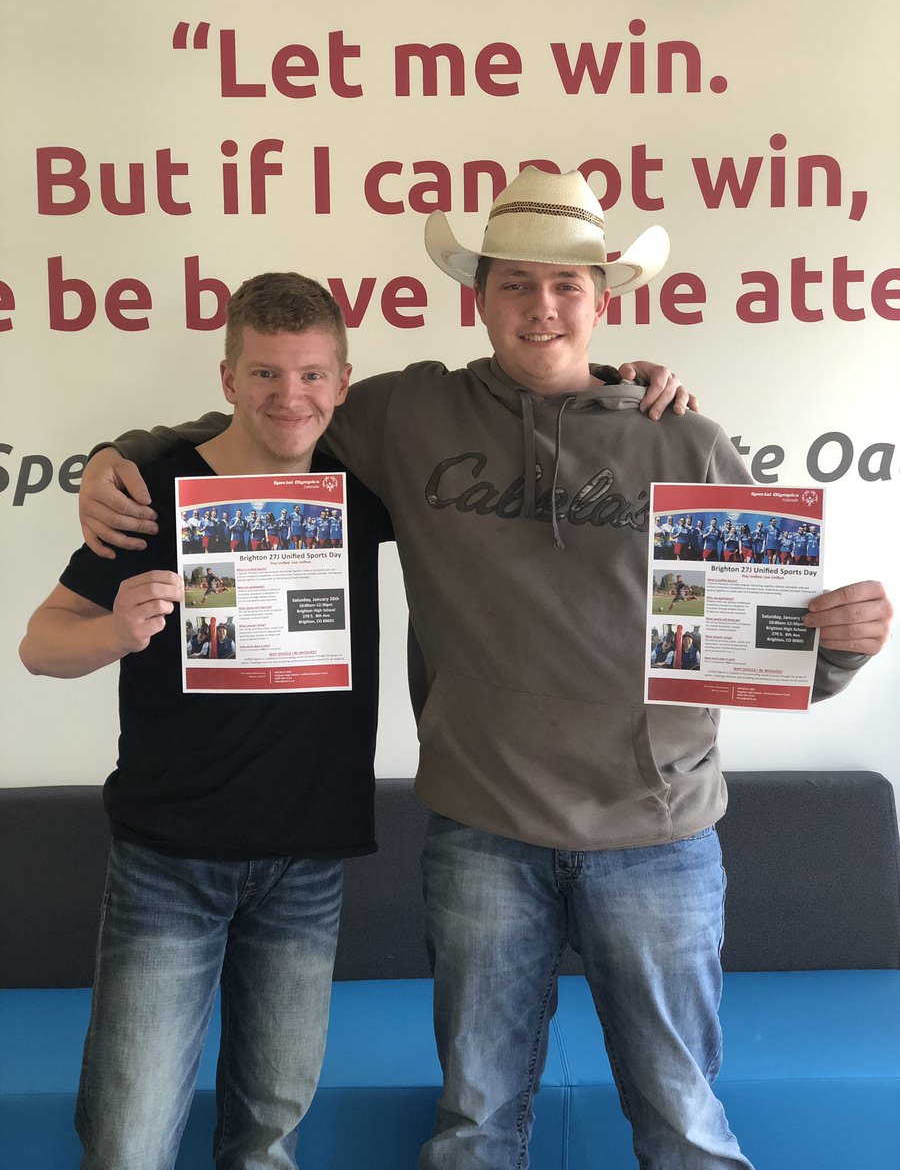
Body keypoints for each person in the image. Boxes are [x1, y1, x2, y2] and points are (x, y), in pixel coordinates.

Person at [75, 169, 892, 1170]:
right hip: (481, 838)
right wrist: (123, 452)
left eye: (566, 285)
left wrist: (840, 649)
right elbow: (273, 421)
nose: (541, 309)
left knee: (682, 1121)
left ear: (604, 297)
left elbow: (763, 652)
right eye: (514, 284)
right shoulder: (408, 414)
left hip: (657, 836)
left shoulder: (683, 437)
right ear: (479, 297)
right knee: (474, 1129)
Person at [19, 272, 394, 1170]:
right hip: (169, 861)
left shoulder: (365, 487)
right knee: (127, 1141)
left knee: (266, 1141)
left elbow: (514, 433)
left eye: (310, 376)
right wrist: (114, 630)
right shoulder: (152, 487)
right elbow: (40, 641)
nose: (289, 396)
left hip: (308, 863)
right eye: (265, 374)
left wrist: (629, 377)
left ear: (343, 382)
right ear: (227, 380)